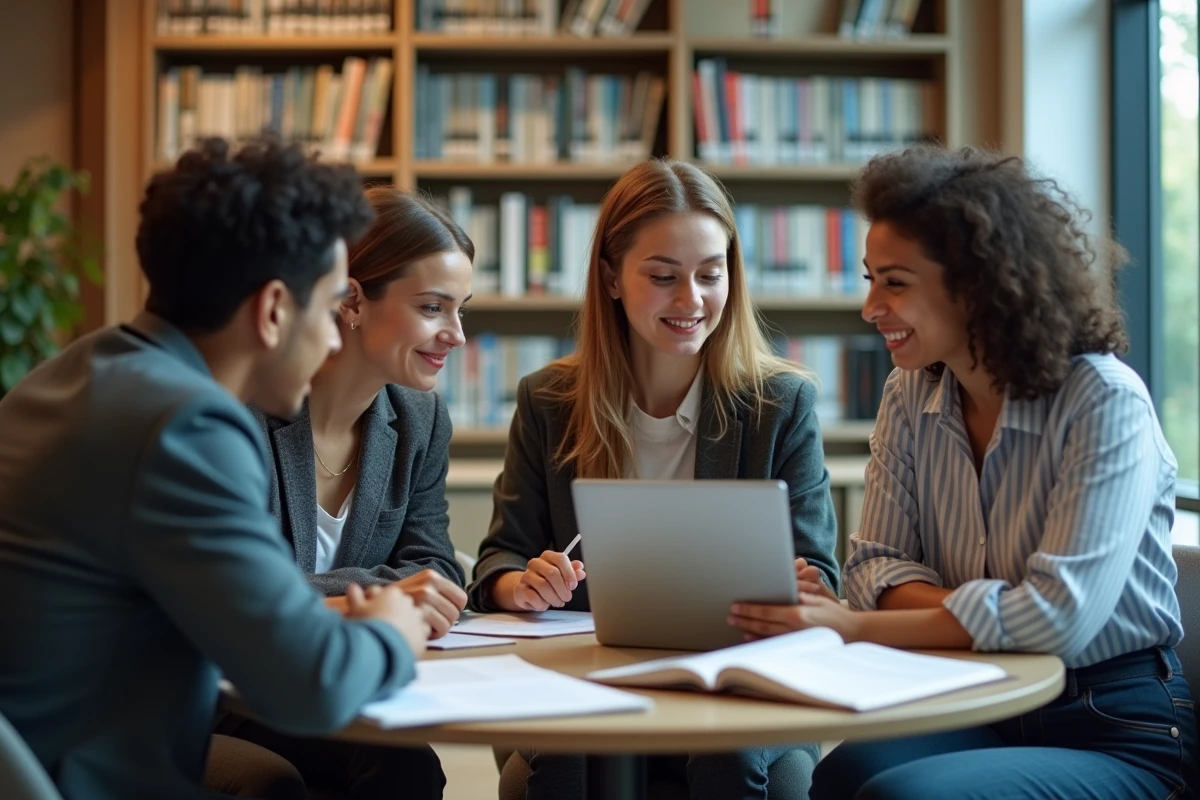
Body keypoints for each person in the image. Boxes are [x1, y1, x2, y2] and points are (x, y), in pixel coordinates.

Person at [728, 145, 1198, 799]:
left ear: (978, 282)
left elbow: (1057, 622)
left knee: (903, 797)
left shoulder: (1102, 399)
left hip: (1112, 723)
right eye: (869, 279)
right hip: (969, 697)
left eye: (894, 282)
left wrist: (858, 626)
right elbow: (872, 572)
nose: (870, 307)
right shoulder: (908, 392)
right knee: (839, 779)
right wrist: (1001, 607)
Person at [0, 137, 431, 800]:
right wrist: (389, 632)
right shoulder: (185, 425)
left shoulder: (75, 376)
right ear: (273, 310)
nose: (334, 337)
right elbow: (309, 683)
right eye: (327, 309)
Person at [468, 158, 839, 800]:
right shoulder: (549, 400)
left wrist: (805, 587)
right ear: (612, 279)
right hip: (590, 680)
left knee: (740, 760)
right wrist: (518, 585)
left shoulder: (781, 404)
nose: (691, 301)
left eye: (709, 275)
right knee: (559, 768)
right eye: (663, 277)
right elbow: (498, 558)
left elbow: (821, 573)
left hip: (739, 684)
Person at [214, 187, 474, 798]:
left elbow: (434, 565)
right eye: (433, 308)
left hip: (346, 681)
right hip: (229, 690)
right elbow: (240, 590)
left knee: (404, 765)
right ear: (352, 299)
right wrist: (383, 589)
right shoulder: (243, 408)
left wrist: (372, 592)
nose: (457, 335)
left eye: (462, 309)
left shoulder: (419, 419)